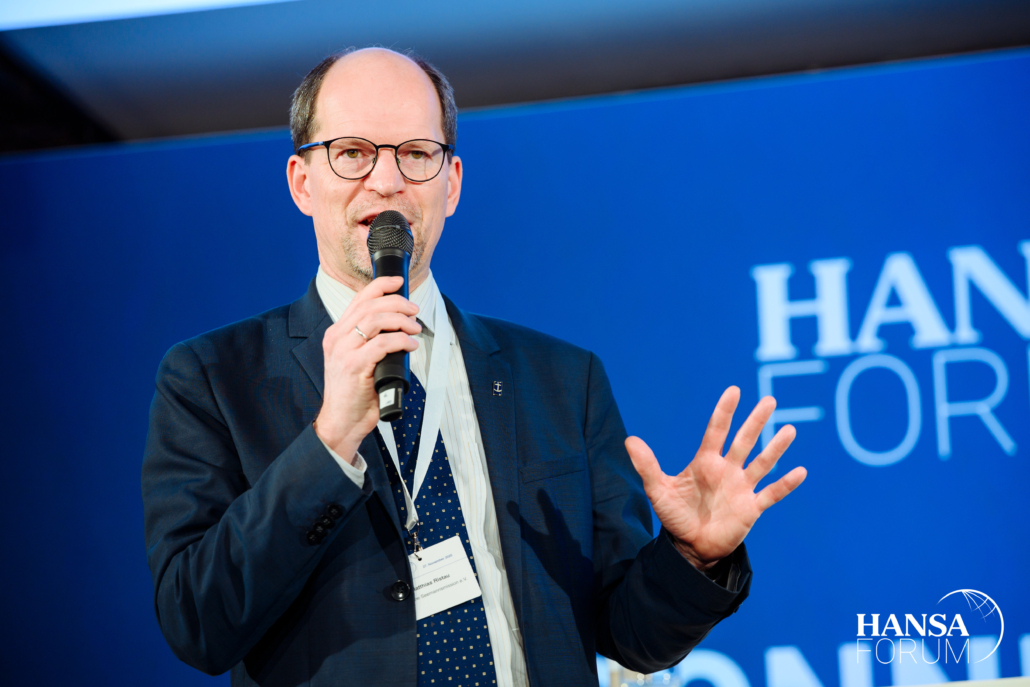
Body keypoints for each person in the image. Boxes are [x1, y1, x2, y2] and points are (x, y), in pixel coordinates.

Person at [142, 47, 807, 687]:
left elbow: (631, 634)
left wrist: (693, 555)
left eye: (416, 154)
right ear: (301, 182)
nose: (386, 179)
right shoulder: (210, 377)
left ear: (452, 183)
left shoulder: (561, 380)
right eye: (352, 153)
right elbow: (198, 623)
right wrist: (327, 444)